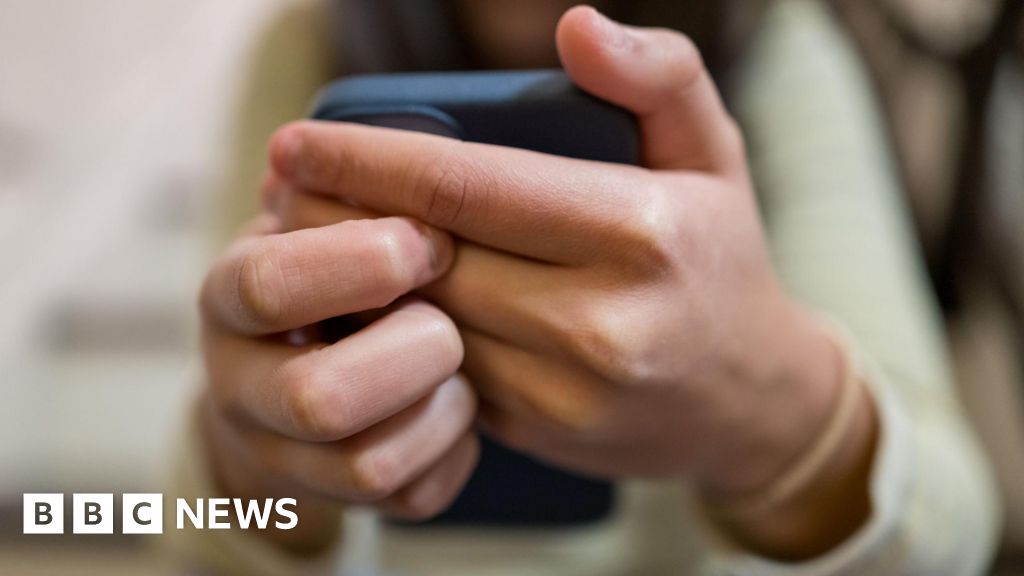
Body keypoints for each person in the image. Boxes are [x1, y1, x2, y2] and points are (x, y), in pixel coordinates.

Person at [167, 1, 999, 574]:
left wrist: (769, 412)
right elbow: (194, 538)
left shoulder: (772, 42)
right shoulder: (309, 43)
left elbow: (954, 531)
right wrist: (254, 461)